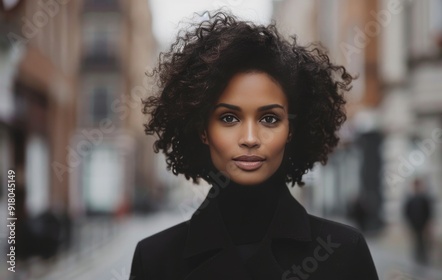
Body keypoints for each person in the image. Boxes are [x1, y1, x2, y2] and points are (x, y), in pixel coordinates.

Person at [129, 10, 379, 279]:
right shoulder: (156, 260)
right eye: (229, 118)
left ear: (291, 130)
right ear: (203, 130)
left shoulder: (344, 252)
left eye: (269, 118)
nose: (250, 138)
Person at [403, 178, 433, 265]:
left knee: (424, 242)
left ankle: (424, 258)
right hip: (414, 224)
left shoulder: (424, 198)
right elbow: (406, 212)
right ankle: (417, 258)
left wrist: (428, 223)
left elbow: (428, 212)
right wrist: (409, 223)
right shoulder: (410, 199)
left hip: (423, 224)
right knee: (416, 241)